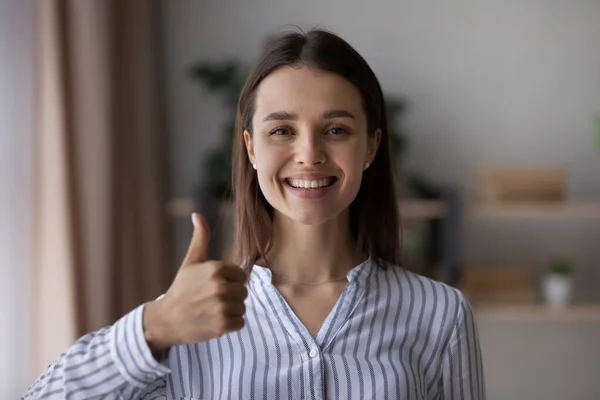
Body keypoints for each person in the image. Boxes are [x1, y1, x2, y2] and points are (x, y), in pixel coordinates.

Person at [24, 28, 485, 400]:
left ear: (370, 146)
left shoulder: (439, 314)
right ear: (251, 148)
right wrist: (154, 325)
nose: (309, 153)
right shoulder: (191, 319)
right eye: (282, 129)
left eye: (336, 129)